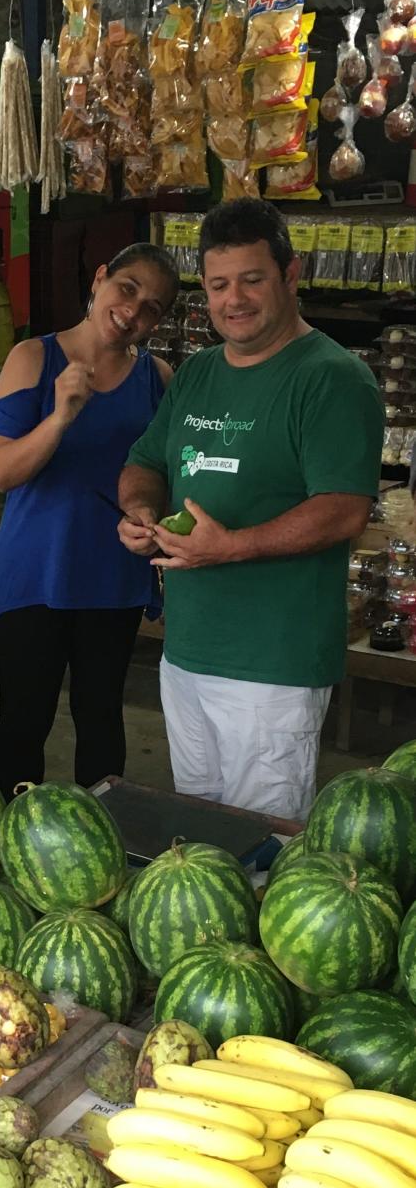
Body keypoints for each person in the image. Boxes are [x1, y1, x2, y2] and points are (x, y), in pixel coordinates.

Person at [119, 199, 383, 820]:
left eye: (252, 279)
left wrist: (230, 546)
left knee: (263, 845)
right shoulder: (199, 372)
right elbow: (145, 462)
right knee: (200, 838)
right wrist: (139, 512)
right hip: (186, 652)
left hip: (272, 665)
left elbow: (344, 510)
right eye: (218, 285)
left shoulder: (333, 379)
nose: (233, 299)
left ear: (290, 275)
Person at [0, 243, 179, 799]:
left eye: (153, 308)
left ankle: (101, 847)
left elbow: (160, 473)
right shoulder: (34, 358)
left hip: (111, 575)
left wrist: (151, 516)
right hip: (35, 572)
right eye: (128, 289)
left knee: (101, 718)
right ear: (99, 279)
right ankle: (11, 850)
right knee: (24, 720)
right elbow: (1, 473)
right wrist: (62, 416)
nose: (134, 311)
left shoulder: (157, 379)